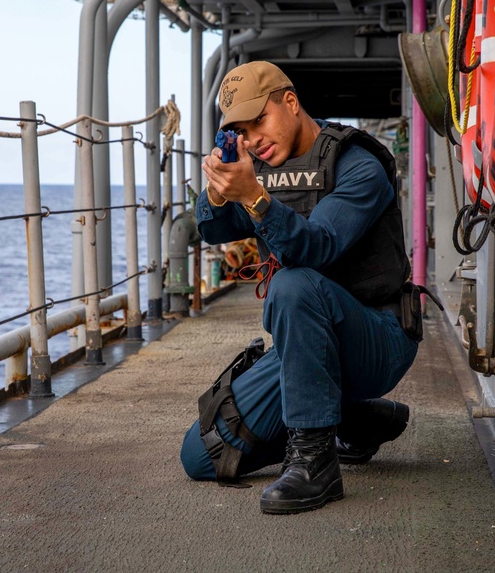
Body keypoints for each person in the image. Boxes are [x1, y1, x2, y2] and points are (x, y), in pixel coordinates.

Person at [179, 60, 420, 514]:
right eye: (241, 131)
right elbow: (212, 230)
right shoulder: (261, 169)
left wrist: (253, 196)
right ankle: (355, 420)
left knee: (291, 285)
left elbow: (318, 248)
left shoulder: (357, 165)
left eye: (260, 121)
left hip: (379, 337)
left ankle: (315, 464)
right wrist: (217, 189)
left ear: (290, 102)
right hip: (308, 345)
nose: (253, 139)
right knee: (203, 454)